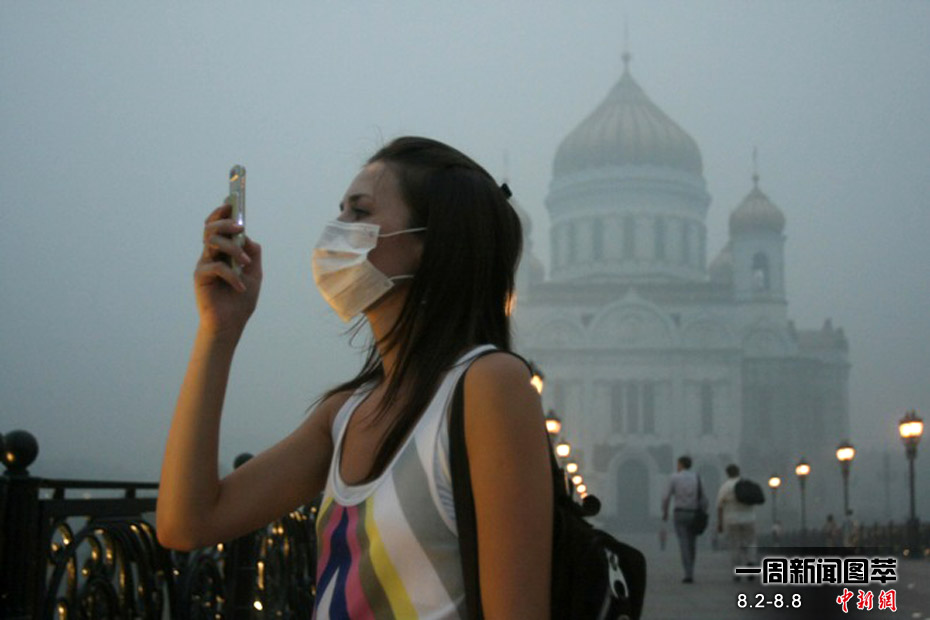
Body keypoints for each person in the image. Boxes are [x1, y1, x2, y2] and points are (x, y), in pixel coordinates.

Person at [156, 137, 554, 618]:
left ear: (432, 243)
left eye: (359, 212)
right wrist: (219, 331)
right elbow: (187, 523)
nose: (337, 230)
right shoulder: (345, 413)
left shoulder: (489, 385)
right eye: (340, 211)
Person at [661, 455, 708, 583]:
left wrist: (665, 512)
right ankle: (691, 568)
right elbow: (703, 498)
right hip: (694, 513)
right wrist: (703, 511)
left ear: (681, 464)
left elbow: (665, 497)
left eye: (678, 464)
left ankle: (688, 573)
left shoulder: (674, 477)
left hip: (680, 513)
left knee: (684, 543)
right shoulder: (697, 478)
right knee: (692, 543)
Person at [715, 464, 757, 581]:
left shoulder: (725, 487)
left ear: (727, 473)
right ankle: (750, 562)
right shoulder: (747, 485)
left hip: (731, 519)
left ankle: (737, 570)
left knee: (735, 545)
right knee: (750, 542)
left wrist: (720, 523)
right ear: (739, 472)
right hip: (749, 518)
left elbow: (719, 507)